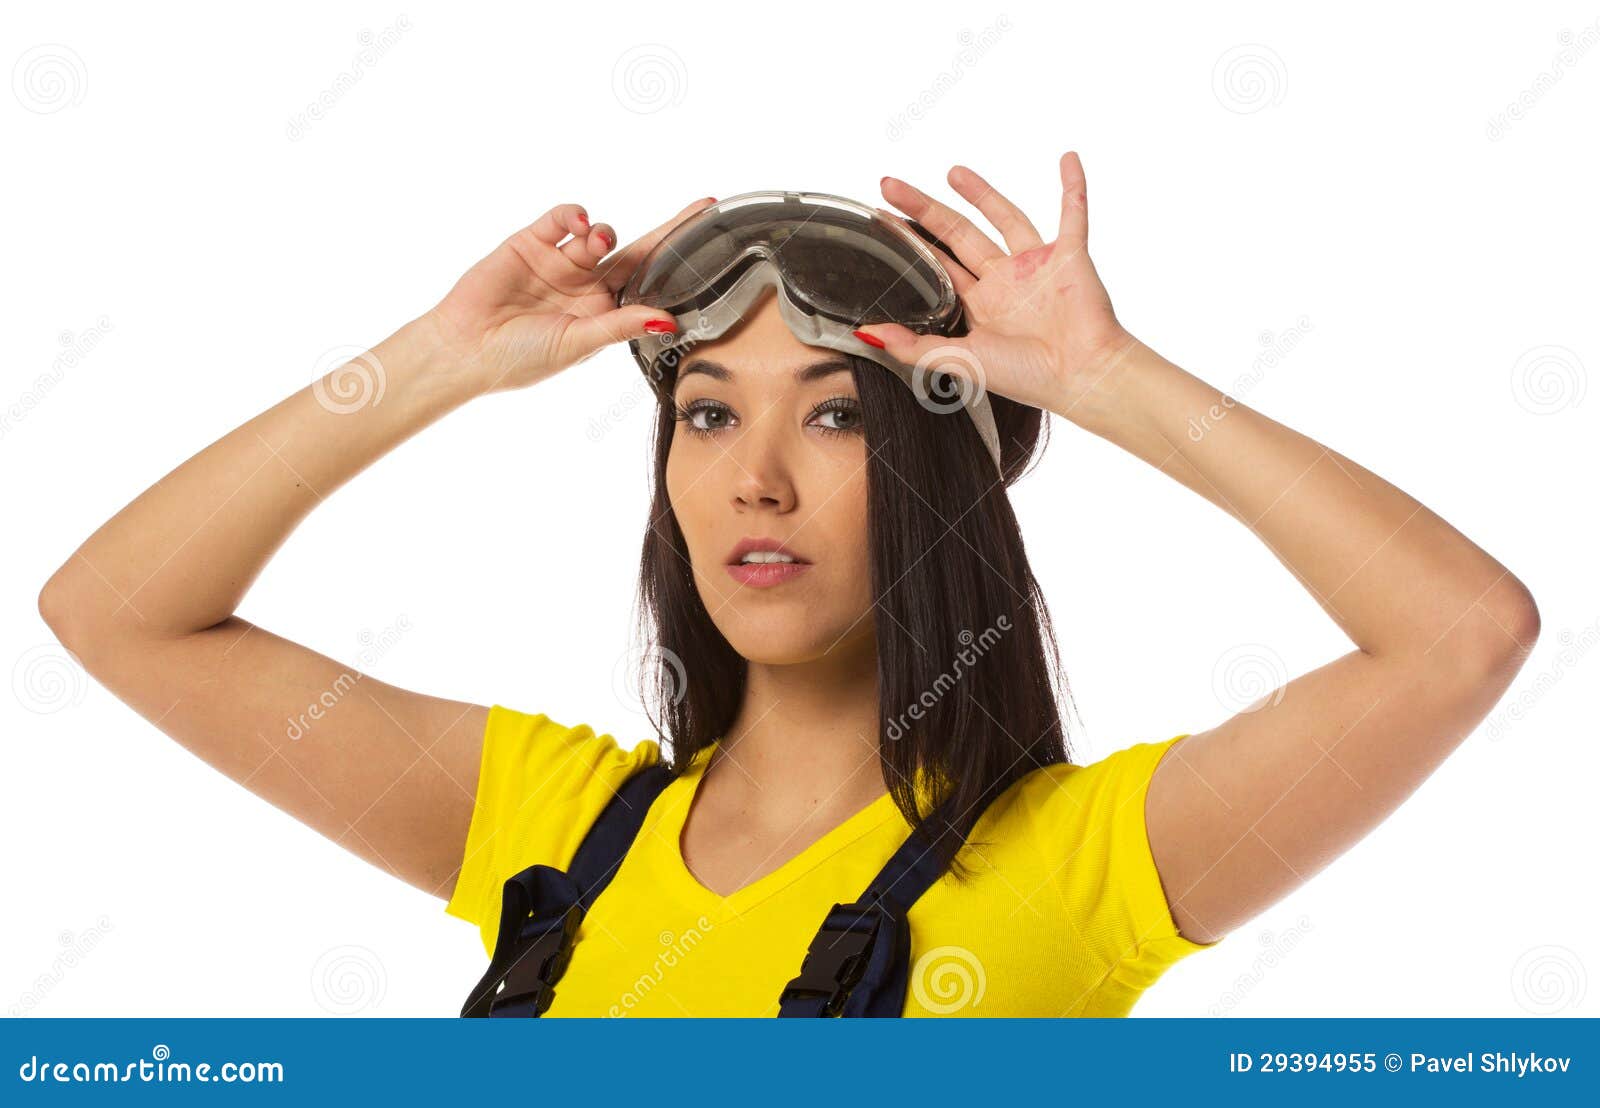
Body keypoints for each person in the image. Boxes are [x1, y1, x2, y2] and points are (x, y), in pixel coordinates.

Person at [37, 152, 1540, 1017]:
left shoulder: (1088, 869)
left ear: (941, 474)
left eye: (833, 411)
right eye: (706, 411)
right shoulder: (556, 841)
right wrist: (436, 363)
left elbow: (1458, 638)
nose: (757, 474)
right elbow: (113, 608)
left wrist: (1107, 379)